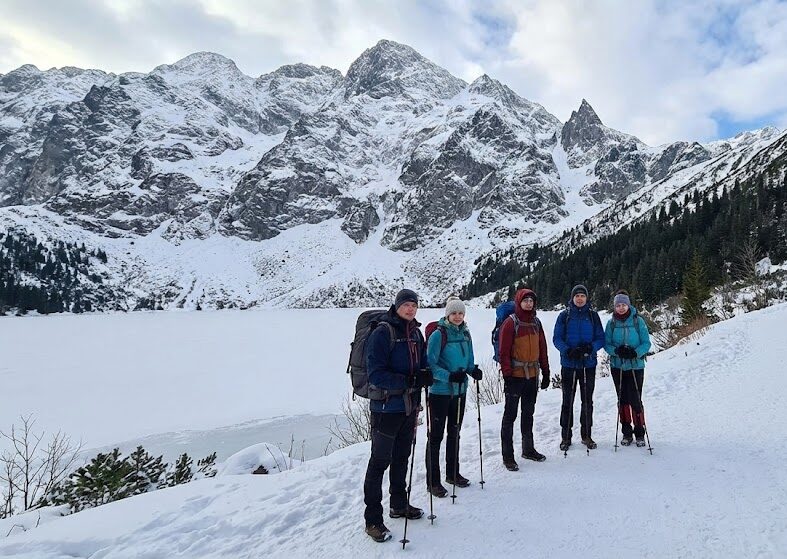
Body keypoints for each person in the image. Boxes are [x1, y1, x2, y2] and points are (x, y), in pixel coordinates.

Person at [363, 289, 432, 543]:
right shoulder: (383, 332)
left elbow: (422, 363)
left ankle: (399, 504)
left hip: (409, 406)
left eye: (414, 305)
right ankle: (373, 520)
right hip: (385, 408)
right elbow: (376, 374)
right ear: (397, 306)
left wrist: (425, 374)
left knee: (402, 457)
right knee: (379, 462)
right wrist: (408, 380)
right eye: (406, 304)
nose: (411, 309)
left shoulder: (415, 333)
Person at [425, 296, 481, 497]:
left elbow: (469, 358)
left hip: (459, 391)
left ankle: (453, 473)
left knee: (454, 433)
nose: (457, 316)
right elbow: (430, 364)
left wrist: (472, 370)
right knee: (436, 437)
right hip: (440, 392)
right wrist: (448, 376)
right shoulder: (438, 335)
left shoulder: (466, 333)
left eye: (460, 313)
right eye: (454, 313)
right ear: (447, 314)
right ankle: (433, 481)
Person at [498, 288, 551, 471]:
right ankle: (508, 456)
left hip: (532, 375)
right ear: (518, 302)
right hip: (515, 376)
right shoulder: (510, 323)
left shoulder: (536, 323)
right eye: (525, 300)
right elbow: (503, 352)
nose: (529, 304)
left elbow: (542, 348)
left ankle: (528, 449)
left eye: (531, 301)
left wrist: (546, 371)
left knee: (528, 414)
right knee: (510, 416)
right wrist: (507, 374)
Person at [552, 284, 605, 451]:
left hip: (588, 364)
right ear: (572, 298)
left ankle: (586, 435)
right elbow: (557, 338)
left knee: (587, 401)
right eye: (577, 296)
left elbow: (600, 338)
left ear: (587, 298)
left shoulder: (593, 316)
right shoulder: (564, 316)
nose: (580, 299)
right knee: (567, 400)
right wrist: (567, 350)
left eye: (583, 296)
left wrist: (590, 348)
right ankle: (565, 437)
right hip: (569, 364)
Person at [603, 290, 652, 447]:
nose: (621, 308)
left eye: (624, 304)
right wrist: (616, 351)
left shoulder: (638, 321)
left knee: (636, 399)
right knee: (622, 399)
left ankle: (639, 432)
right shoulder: (611, 323)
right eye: (618, 305)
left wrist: (635, 353)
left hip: (636, 366)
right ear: (615, 307)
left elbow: (646, 343)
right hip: (617, 366)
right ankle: (626, 432)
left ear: (629, 305)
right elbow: (606, 344)